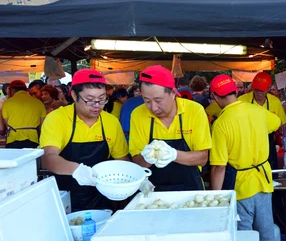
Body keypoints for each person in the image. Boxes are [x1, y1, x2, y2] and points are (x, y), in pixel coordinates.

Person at [39, 69, 129, 211]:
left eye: (102, 99)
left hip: (101, 196)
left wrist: (135, 178)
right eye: (90, 100)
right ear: (74, 95)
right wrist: (78, 171)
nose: (97, 106)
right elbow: (48, 158)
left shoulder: (111, 122)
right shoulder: (57, 118)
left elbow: (122, 160)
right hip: (64, 197)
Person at [209, 75, 280, 241]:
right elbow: (276, 123)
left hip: (240, 186)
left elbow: (219, 167)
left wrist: (215, 197)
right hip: (264, 180)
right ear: (235, 91)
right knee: (266, 232)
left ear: (214, 96)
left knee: (244, 234)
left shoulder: (221, 123)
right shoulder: (257, 110)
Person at [130, 65, 211, 191]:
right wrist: (147, 158)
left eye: (158, 100)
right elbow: (136, 161)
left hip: (190, 189)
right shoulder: (137, 114)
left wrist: (173, 154)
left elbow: (202, 158)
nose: (153, 107)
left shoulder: (195, 111)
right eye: (147, 100)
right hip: (154, 191)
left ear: (173, 93)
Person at [238, 72, 286, 170]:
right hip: (247, 144)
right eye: (256, 89)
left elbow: (283, 126)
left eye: (262, 90)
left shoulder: (275, 102)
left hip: (268, 144)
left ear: (268, 89)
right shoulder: (242, 100)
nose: (258, 92)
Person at [0, 80, 46, 148]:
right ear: (26, 89)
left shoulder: (6, 104)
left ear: (11, 90)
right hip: (33, 140)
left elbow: (1, 128)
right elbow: (42, 127)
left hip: (13, 140)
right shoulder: (39, 103)